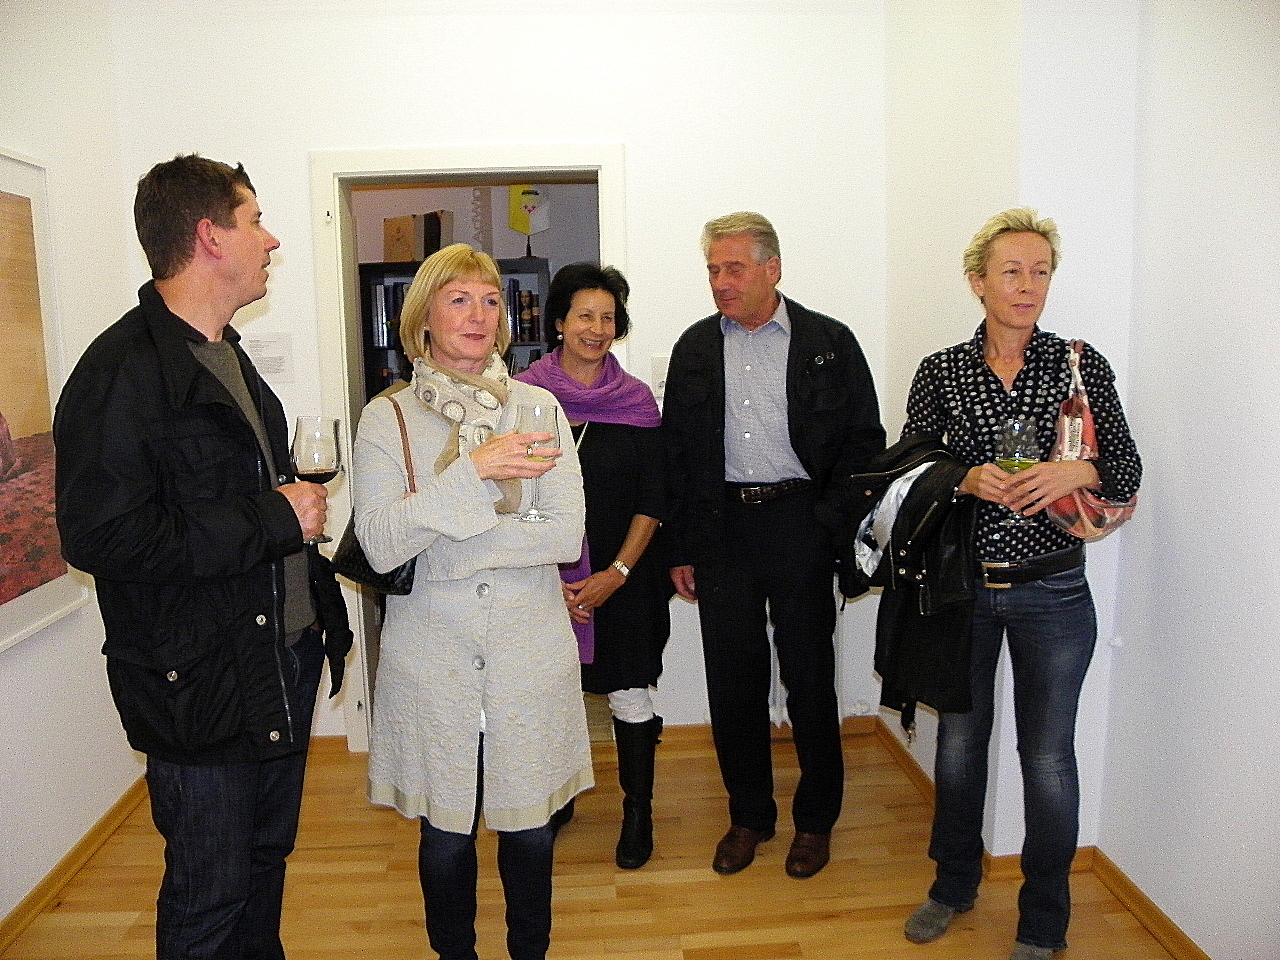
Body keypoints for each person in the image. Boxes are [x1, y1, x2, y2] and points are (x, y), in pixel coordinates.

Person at [53, 153, 352, 960]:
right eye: (255, 221)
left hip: (275, 663)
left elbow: (231, 501)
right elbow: (101, 536)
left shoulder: (227, 355)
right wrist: (271, 516)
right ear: (209, 236)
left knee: (262, 866)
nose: (271, 240)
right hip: (200, 685)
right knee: (208, 895)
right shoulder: (120, 373)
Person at [900, 209, 1141, 960]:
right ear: (978, 282)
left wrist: (1078, 470)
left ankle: (1044, 921)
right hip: (963, 590)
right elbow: (907, 469)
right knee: (960, 747)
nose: (1028, 285)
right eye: (1012, 271)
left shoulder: (1078, 365)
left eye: (1040, 271)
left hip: (1054, 592)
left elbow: (1126, 467)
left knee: (1048, 758)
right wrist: (963, 476)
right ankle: (953, 885)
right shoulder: (942, 370)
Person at [354, 243, 592, 960]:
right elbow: (379, 543)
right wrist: (476, 474)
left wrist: (446, 542)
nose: (478, 315)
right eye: (458, 299)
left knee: (532, 832)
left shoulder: (540, 408)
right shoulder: (387, 419)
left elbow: (565, 535)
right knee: (446, 837)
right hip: (432, 662)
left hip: (529, 654)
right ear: (423, 317)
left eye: (490, 300)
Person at [662, 212, 885, 879]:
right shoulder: (695, 347)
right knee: (732, 680)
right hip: (723, 528)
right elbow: (677, 453)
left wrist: (829, 521)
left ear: (772, 269)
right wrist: (682, 545)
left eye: (734, 269)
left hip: (801, 524)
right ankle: (749, 816)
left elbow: (864, 444)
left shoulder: (828, 342)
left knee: (809, 676)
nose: (720, 283)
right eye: (712, 270)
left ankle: (815, 821)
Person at [515, 262, 670, 870]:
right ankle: (557, 801)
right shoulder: (524, 398)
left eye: (608, 318)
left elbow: (654, 498)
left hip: (625, 577)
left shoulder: (637, 400)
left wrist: (616, 574)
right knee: (553, 695)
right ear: (558, 321)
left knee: (630, 692)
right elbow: (511, 497)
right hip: (542, 578)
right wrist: (552, 581)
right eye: (585, 315)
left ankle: (639, 812)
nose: (597, 329)